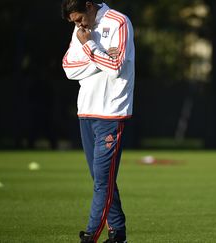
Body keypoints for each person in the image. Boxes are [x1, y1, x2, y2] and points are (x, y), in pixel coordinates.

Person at [61, 0, 134, 242]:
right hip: (86, 111)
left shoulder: (119, 22)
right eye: (74, 22)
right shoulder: (80, 29)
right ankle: (118, 232)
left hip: (111, 112)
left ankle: (90, 235)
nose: (79, 25)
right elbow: (68, 68)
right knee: (101, 179)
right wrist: (100, 56)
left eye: (80, 18)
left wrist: (90, 47)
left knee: (102, 180)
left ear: (90, 5)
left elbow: (115, 67)